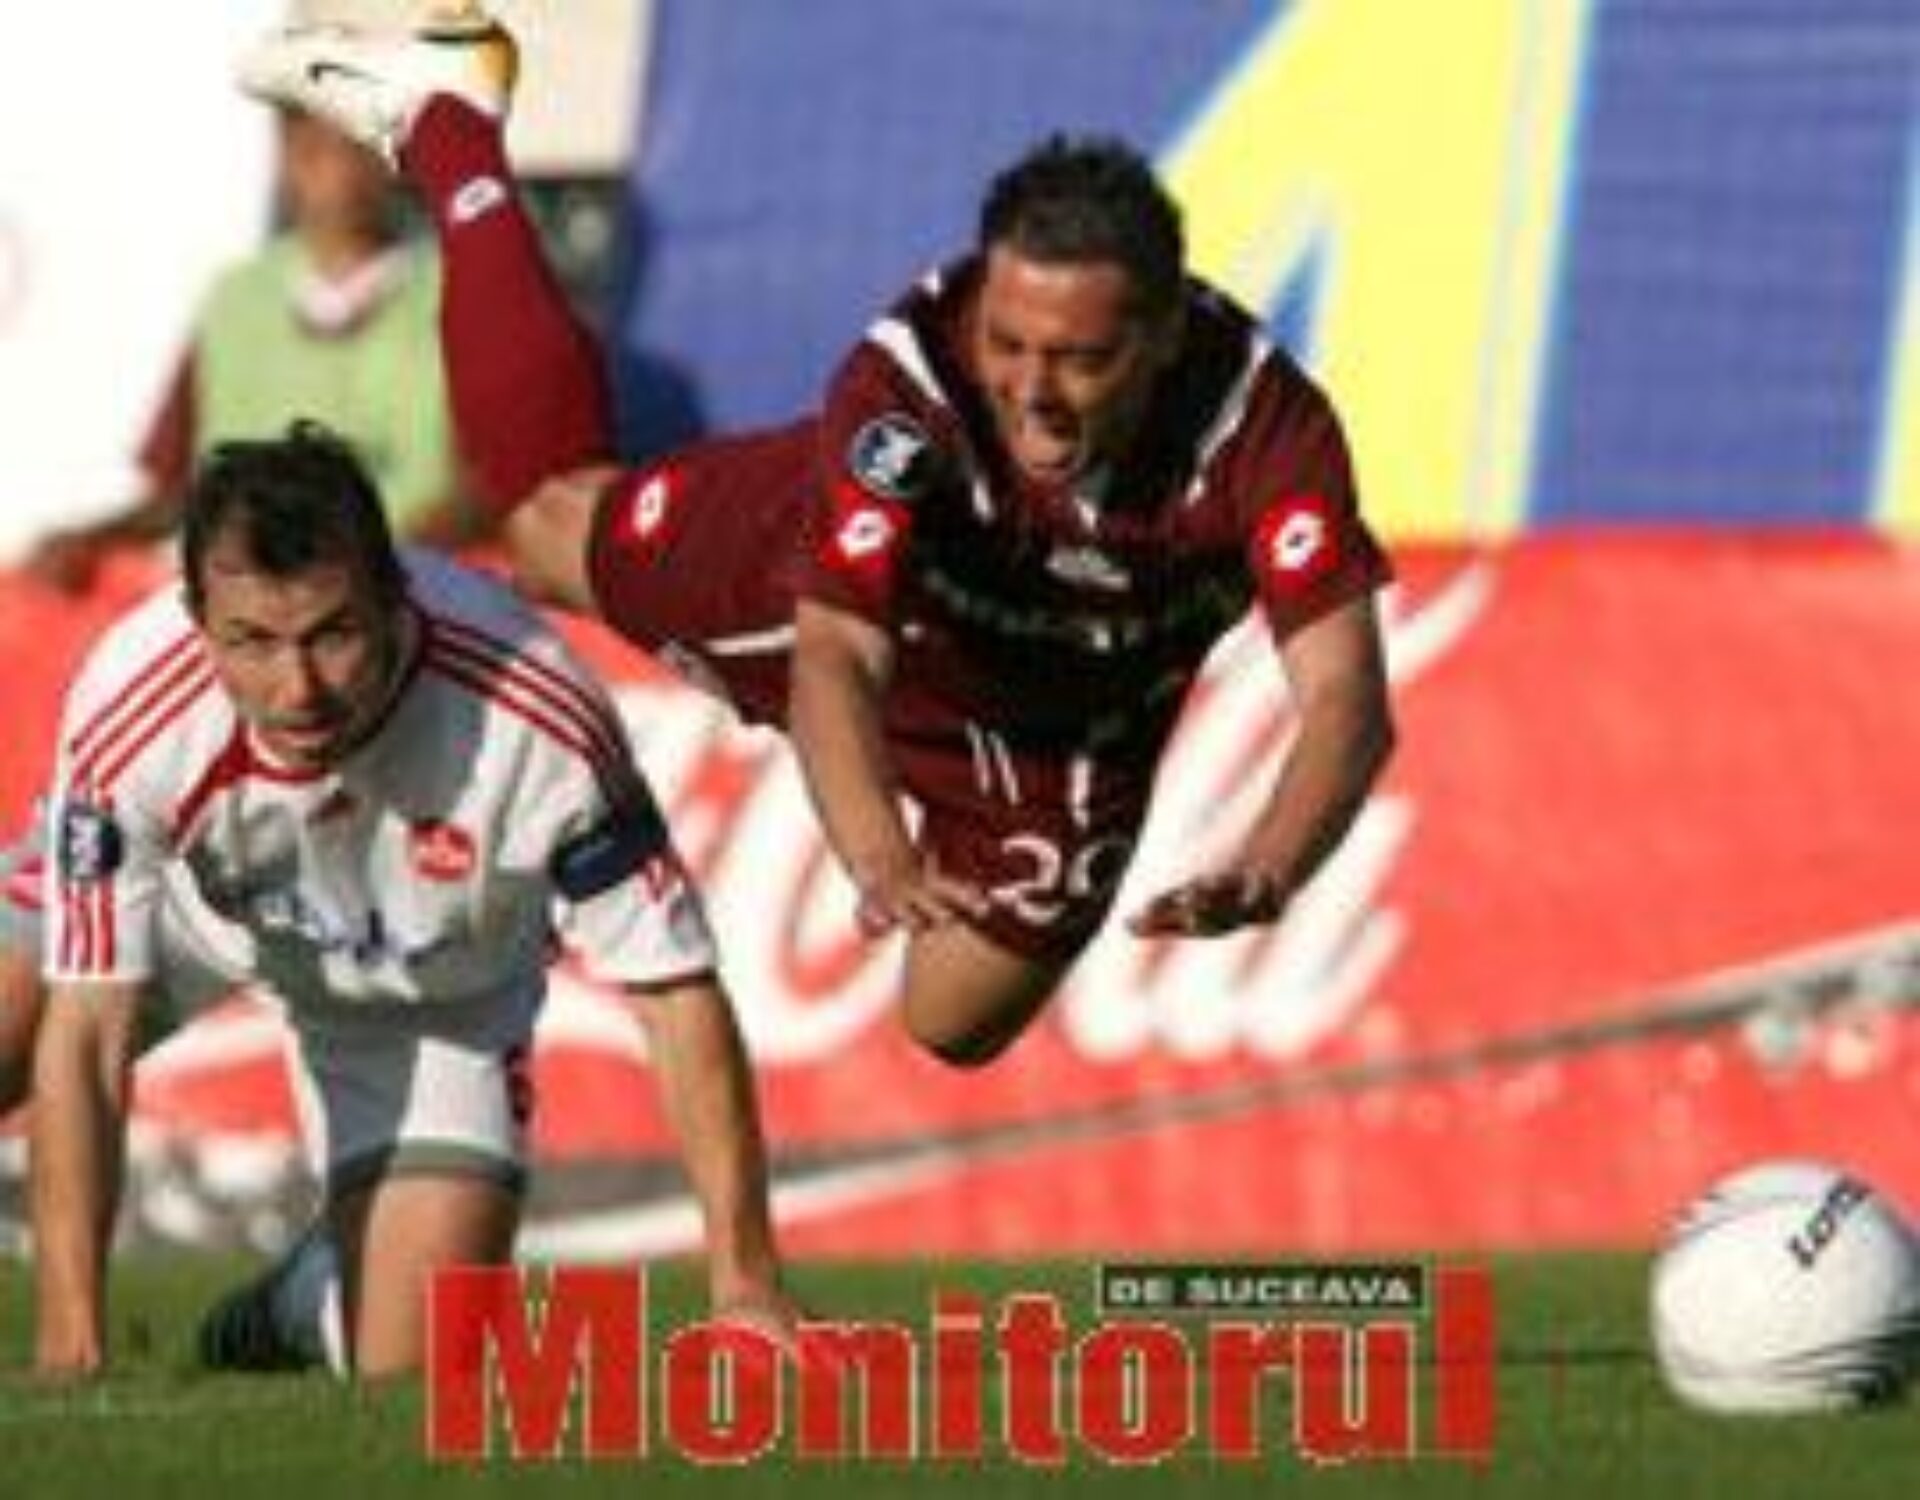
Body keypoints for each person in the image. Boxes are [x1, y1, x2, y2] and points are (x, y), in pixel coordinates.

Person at [237, 9, 1397, 1069]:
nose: (1033, 392)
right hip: (842, 596)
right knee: (547, 527)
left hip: (1067, 721)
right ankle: (453, 126)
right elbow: (837, 651)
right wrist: (878, 853)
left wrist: (1274, 861)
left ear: (1164, 335)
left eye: (1081, 360)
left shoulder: (1266, 425)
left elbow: (1345, 694)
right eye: (1009, 345)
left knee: (953, 1022)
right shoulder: (914, 380)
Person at [20, 422, 789, 1378]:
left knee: (417, 1361)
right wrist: (70, 1346)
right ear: (197, 616)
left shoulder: (535, 713)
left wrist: (744, 1283)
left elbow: (675, 994)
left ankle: (302, 1304)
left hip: (435, 995)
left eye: (332, 635)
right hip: (195, 909)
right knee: (20, 1008)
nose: (296, 689)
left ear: (394, 595)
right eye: (251, 642)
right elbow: (86, 1029)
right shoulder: (134, 697)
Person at [23, 107, 476, 594]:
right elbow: (182, 489)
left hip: (405, 595)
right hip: (245, 604)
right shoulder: (234, 300)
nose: (340, 175)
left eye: (359, 152)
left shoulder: (462, 292)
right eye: (314, 152)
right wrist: (93, 537)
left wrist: (371, 569)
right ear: (283, 155)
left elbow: (492, 487)